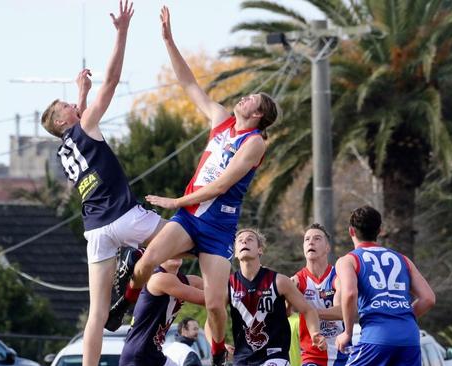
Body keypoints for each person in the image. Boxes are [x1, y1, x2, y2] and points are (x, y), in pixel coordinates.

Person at [107, 7, 279, 366]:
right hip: (189, 219)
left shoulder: (255, 142)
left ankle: (217, 352)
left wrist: (175, 199)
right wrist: (169, 40)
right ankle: (124, 301)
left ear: (259, 114)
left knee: (216, 303)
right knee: (147, 261)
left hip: (217, 227)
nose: (244, 98)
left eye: (252, 100)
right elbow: (188, 84)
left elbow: (220, 186)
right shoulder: (221, 119)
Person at [39, 2, 165, 365]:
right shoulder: (82, 125)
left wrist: (79, 94)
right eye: (66, 104)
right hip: (125, 216)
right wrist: (122, 32)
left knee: (96, 313)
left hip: (95, 230)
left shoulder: (65, 147)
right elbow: (110, 82)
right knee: (188, 244)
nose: (72, 103)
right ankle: (131, 287)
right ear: (63, 119)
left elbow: (79, 127)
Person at [335, 206, 436, 366]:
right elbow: (428, 298)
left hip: (377, 336)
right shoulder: (403, 259)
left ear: (351, 231)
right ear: (380, 230)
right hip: (409, 337)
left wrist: (347, 332)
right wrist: (401, 317)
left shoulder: (348, 261)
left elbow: (350, 293)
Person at [228, 228, 326, 366]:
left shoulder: (279, 281)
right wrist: (217, 344)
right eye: (240, 240)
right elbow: (213, 314)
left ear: (260, 250)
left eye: (250, 239)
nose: (244, 241)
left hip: (274, 355)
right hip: (243, 358)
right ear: (235, 253)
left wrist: (315, 332)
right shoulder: (229, 285)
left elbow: (308, 310)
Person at [119, 259, 204, 366]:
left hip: (155, 354)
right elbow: (210, 299)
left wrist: (218, 342)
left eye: (178, 248)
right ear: (161, 252)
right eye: (170, 248)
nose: (175, 253)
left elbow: (220, 296)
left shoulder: (188, 281)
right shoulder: (159, 278)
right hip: (137, 357)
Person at [292, 223, 348, 366]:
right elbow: (285, 313)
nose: (311, 242)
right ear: (304, 248)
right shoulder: (297, 280)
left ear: (327, 248)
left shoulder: (338, 276)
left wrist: (309, 312)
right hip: (312, 354)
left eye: (317, 238)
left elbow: (342, 311)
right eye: (307, 239)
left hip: (341, 352)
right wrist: (287, 299)